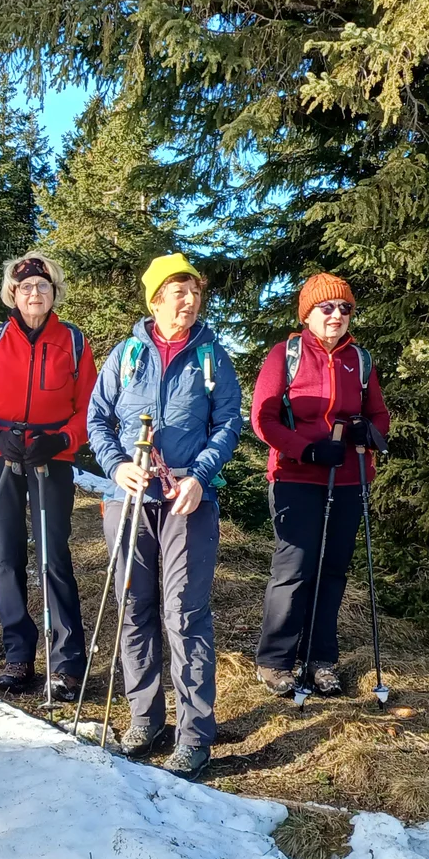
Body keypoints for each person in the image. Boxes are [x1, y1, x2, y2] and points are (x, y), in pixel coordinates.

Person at [86, 253, 243, 779]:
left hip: (188, 502)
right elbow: (97, 418)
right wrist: (115, 467)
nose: (189, 300)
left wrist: (200, 475)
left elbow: (227, 425)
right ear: (154, 299)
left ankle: (195, 733)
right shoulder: (127, 355)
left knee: (185, 613)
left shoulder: (212, 357)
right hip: (130, 501)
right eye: (178, 292)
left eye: (194, 292)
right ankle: (144, 719)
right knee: (134, 607)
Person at [0, 252, 97, 696]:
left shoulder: (72, 342)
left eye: (43, 286)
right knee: (7, 556)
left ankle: (67, 662)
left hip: (51, 456)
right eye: (25, 287)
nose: (34, 293)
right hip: (2, 453)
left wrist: (61, 441)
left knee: (53, 555)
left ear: (54, 292)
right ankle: (19, 656)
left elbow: (89, 409)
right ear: (12, 294)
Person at [250, 272, 391, 700]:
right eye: (327, 307)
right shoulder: (286, 354)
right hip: (297, 476)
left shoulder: (359, 360)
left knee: (333, 570)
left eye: (345, 308)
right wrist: (306, 450)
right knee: (294, 569)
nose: (337, 315)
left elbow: (379, 415)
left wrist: (370, 434)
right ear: (308, 313)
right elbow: (264, 418)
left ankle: (320, 660)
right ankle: (275, 661)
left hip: (348, 478)